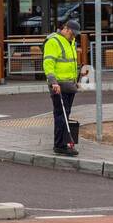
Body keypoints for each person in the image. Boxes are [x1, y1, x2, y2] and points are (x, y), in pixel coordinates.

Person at [43, 18, 81, 155]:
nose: (74, 36)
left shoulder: (71, 42)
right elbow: (48, 64)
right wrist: (53, 82)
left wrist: (75, 81)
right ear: (66, 29)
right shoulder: (54, 42)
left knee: (66, 114)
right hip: (58, 85)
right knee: (61, 115)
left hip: (69, 85)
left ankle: (63, 142)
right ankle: (60, 144)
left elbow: (71, 63)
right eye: (73, 33)